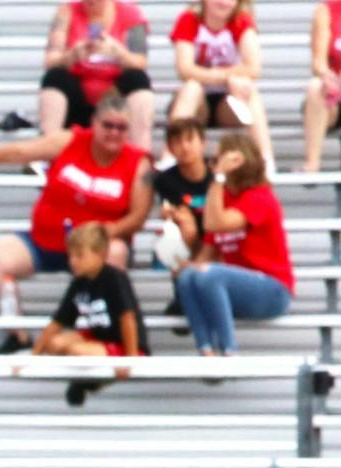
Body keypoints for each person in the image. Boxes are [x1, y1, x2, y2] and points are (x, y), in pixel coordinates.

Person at [0, 91, 152, 355]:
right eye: (107, 125)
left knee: (115, 253)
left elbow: (138, 216)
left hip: (93, 247)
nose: (113, 133)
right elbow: (20, 151)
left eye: (121, 127)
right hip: (45, 240)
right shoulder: (71, 140)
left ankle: (102, 337)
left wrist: (107, 231)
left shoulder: (138, 163)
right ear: (94, 122)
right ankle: (17, 335)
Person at [179, 133, 293, 358]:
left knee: (210, 276)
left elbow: (214, 223)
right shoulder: (223, 200)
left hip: (272, 288)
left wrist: (218, 177)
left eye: (217, 160)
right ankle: (206, 350)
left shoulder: (260, 197)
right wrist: (188, 266)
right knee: (188, 278)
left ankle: (229, 351)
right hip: (237, 287)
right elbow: (207, 254)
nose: (213, 166)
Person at [34, 222, 146, 407]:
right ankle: (85, 378)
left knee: (76, 352)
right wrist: (34, 355)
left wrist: (130, 358)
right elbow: (57, 322)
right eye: (71, 256)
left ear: (100, 254)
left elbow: (127, 318)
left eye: (80, 256)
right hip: (98, 337)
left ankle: (87, 384)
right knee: (54, 344)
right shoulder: (79, 282)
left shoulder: (115, 278)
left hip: (124, 344)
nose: (73, 261)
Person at [37, 0, 153, 150]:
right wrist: (73, 55)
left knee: (138, 79)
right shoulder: (66, 12)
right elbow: (51, 60)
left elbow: (140, 62)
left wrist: (118, 53)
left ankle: (141, 153)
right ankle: (48, 148)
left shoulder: (131, 13)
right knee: (54, 77)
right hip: (77, 95)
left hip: (114, 95)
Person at [169, 0, 271, 168]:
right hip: (198, 105)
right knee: (191, 88)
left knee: (247, 89)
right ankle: (169, 154)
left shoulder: (241, 21)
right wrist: (225, 76)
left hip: (227, 104)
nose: (224, 2)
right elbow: (184, 69)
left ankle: (266, 158)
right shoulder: (189, 19)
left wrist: (227, 79)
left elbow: (254, 68)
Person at [155, 116, 212, 275]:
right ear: (170, 148)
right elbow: (168, 209)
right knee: (185, 225)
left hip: (213, 237)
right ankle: (180, 273)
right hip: (185, 237)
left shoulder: (217, 176)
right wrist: (169, 213)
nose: (184, 147)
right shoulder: (164, 179)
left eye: (189, 139)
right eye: (177, 141)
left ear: (202, 143)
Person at [304, 0, 341, 171]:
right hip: (335, 94)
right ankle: (312, 164)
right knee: (315, 87)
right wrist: (326, 75)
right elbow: (318, 61)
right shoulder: (327, 10)